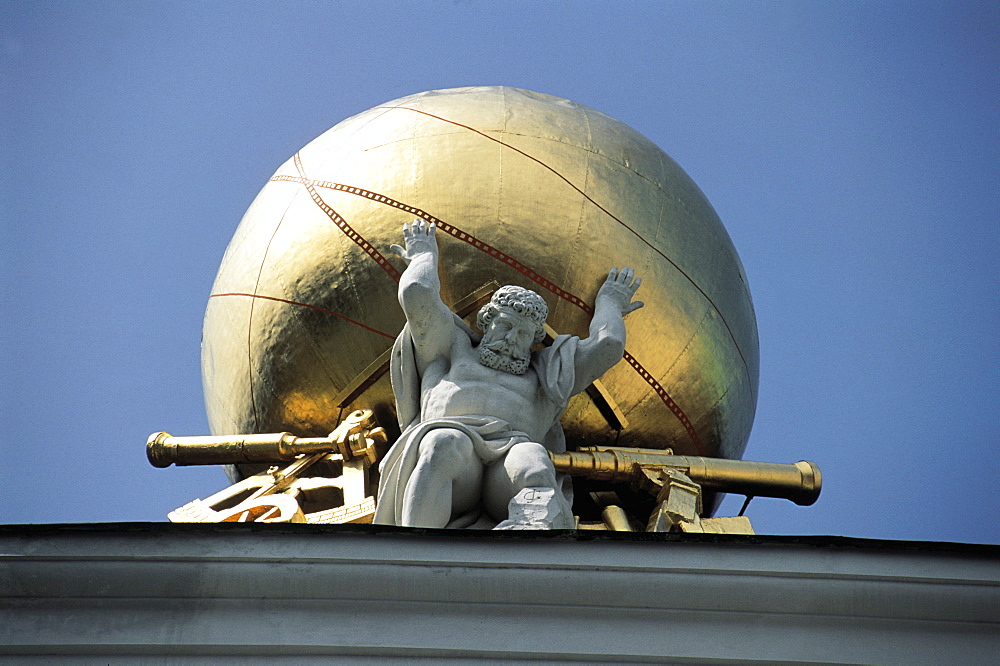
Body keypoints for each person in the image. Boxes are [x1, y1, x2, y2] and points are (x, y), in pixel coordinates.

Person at [373, 219, 643, 528]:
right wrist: (423, 254)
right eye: (505, 326)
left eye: (524, 334)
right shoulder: (450, 350)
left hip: (505, 467)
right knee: (443, 443)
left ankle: (526, 546)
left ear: (534, 341)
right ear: (486, 321)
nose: (512, 339)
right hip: (459, 464)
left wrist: (611, 301)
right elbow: (417, 294)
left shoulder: (545, 377)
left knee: (534, 461)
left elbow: (607, 346)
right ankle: (414, 551)